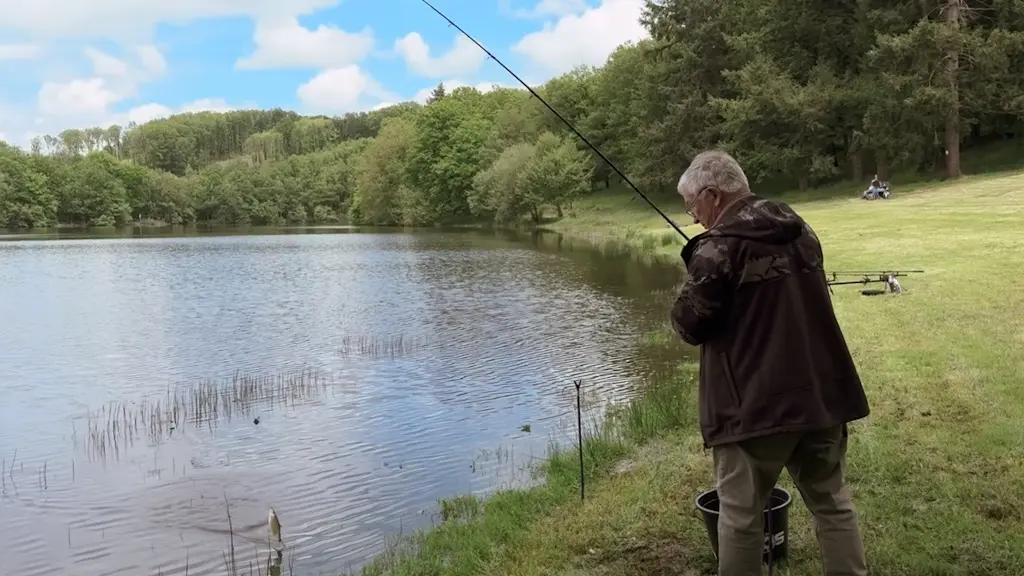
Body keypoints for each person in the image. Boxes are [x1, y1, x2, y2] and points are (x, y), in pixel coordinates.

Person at [670, 150, 870, 576]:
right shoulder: (801, 230)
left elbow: (688, 325)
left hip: (753, 408)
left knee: (741, 517)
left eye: (693, 206)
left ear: (712, 194)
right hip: (820, 394)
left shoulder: (717, 247)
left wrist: (692, 267)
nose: (693, 217)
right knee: (832, 503)